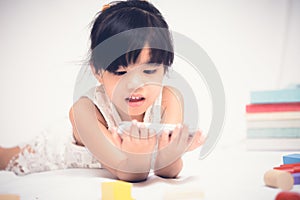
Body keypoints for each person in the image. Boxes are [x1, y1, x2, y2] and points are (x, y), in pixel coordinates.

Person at [0, 0, 205, 182]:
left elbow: (168, 171)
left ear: (164, 68)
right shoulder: (84, 111)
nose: (135, 84)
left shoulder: (170, 99)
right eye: (120, 72)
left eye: (149, 71)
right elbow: (127, 172)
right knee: (6, 158)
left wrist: (171, 155)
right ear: (97, 72)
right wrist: (139, 155)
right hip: (51, 151)